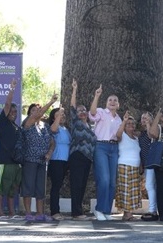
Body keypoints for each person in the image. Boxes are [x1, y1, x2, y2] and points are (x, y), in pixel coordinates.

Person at [20, 94, 58, 221]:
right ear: (30, 113)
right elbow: (37, 115)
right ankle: (28, 213)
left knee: (40, 188)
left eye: (38, 110)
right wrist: (51, 101)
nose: (37, 112)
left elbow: (52, 142)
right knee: (28, 186)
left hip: (42, 161)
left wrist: (49, 153)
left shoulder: (45, 126)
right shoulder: (27, 123)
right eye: (33, 111)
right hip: (30, 160)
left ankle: (40, 213)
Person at [89, 84, 122, 221]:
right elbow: (92, 114)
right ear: (106, 103)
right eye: (110, 100)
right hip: (101, 146)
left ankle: (107, 210)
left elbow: (119, 137)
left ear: (118, 104)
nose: (112, 102)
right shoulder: (102, 112)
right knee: (104, 179)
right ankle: (99, 209)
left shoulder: (119, 119)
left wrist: (124, 123)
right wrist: (97, 95)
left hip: (114, 148)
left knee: (112, 182)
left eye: (115, 100)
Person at [68, 80, 96, 220]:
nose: (82, 112)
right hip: (77, 155)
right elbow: (72, 106)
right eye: (80, 111)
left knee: (82, 185)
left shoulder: (91, 127)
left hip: (87, 158)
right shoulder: (76, 122)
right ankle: (76, 213)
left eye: (84, 110)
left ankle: (79, 211)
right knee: (76, 184)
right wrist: (74, 90)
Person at [0, 80, 22, 220]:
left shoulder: (16, 126)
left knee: (13, 188)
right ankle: (0, 213)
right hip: (5, 160)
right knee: (1, 188)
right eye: (11, 111)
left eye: (15, 112)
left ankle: (12, 213)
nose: (13, 113)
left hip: (16, 161)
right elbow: (7, 104)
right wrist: (12, 88)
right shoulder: (3, 121)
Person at [116, 112, 142, 221]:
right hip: (124, 165)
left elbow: (138, 153)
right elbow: (117, 135)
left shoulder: (136, 139)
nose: (131, 125)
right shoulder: (122, 136)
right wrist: (124, 121)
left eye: (132, 123)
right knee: (126, 190)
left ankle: (128, 213)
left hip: (135, 167)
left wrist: (141, 165)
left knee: (133, 191)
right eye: (128, 123)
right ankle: (127, 214)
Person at [46, 107, 71, 220]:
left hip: (65, 161)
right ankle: (54, 211)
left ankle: (57, 210)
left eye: (63, 115)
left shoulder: (65, 129)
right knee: (55, 186)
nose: (62, 116)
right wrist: (59, 115)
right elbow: (53, 130)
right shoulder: (54, 128)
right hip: (56, 160)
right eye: (59, 115)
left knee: (59, 185)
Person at [138, 111, 158, 221]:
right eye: (142, 118)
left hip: (154, 162)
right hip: (146, 163)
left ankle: (152, 210)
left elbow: (152, 137)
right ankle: (154, 208)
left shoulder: (155, 131)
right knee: (151, 186)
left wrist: (149, 125)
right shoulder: (141, 134)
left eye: (146, 117)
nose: (144, 119)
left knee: (149, 185)